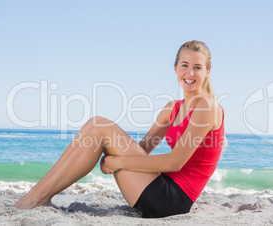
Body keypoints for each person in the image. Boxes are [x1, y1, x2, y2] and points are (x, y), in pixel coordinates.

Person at [14, 40, 225, 218]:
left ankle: (37, 198)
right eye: (185, 65)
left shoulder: (207, 107)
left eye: (197, 67)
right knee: (95, 126)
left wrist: (117, 161)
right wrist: (112, 153)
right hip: (157, 187)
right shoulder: (172, 108)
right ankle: (38, 195)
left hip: (172, 201)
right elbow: (143, 148)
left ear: (207, 71)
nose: (190, 73)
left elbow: (176, 162)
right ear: (175, 69)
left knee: (100, 127)